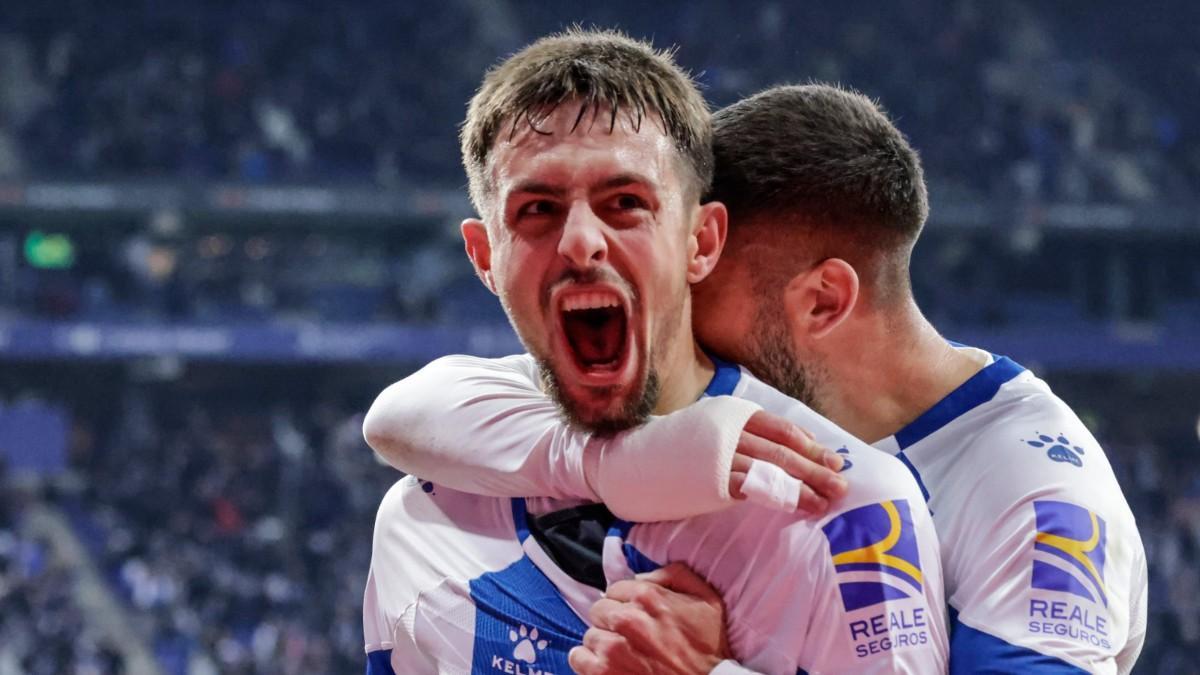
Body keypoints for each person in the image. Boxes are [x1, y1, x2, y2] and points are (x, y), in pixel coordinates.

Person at [366, 85, 1147, 673]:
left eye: (701, 302)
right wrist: (601, 457)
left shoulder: (1036, 501)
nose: (681, 338)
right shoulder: (750, 419)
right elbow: (416, 411)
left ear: (822, 300)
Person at [363, 30, 948, 674]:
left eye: (625, 203)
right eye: (537, 209)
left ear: (702, 240)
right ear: (484, 258)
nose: (581, 241)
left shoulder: (849, 511)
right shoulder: (425, 515)